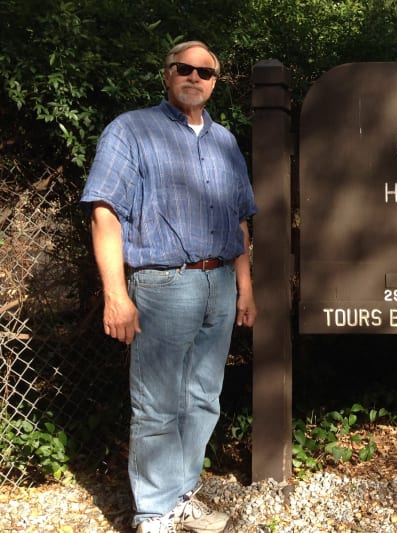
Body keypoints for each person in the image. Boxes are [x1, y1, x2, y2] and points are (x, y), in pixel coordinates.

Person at [81, 41, 257, 533]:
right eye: (185, 68)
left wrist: (245, 288)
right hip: (163, 285)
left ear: (215, 81)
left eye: (206, 72)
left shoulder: (224, 140)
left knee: (203, 397)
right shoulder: (131, 130)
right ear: (167, 73)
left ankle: (181, 494)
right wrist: (116, 296)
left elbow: (239, 221)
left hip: (220, 282)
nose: (195, 77)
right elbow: (104, 213)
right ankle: (153, 513)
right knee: (157, 404)